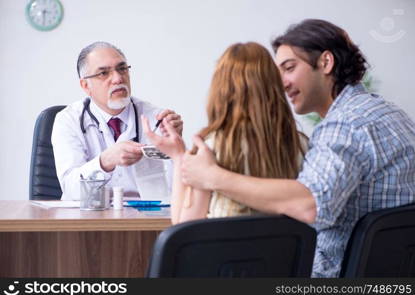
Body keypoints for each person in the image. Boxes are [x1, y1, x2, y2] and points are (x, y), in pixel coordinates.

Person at [177, 19, 415, 277]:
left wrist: (213, 177)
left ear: (325, 62)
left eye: (289, 68)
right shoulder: (391, 114)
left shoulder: (344, 125)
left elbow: (310, 205)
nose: (282, 83)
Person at [142, 42, 306, 224]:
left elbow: (183, 226)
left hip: (222, 252)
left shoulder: (209, 149)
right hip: (283, 253)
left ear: (220, 90)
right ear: (274, 85)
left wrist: (179, 156)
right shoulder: (302, 145)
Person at [51, 41, 183, 200]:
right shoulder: (68, 120)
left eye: (122, 69)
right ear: (86, 85)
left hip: (145, 218)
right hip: (88, 219)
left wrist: (176, 150)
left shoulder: (157, 119)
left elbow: (175, 192)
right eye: (103, 73)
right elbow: (71, 190)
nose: (118, 78)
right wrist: (105, 161)